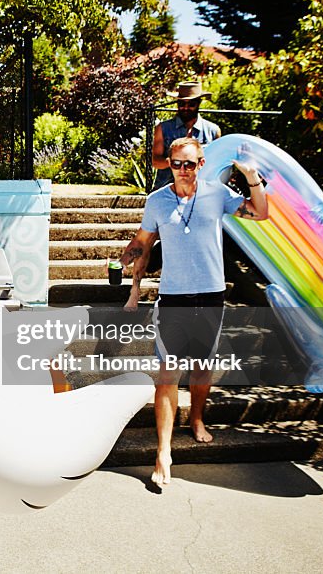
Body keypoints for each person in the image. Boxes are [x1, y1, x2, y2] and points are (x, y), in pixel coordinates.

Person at [119, 137, 267, 486]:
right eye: (176, 164)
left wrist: (251, 178)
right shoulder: (157, 201)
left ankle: (197, 418)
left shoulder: (218, 194)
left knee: (202, 366)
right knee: (167, 375)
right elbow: (143, 240)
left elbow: (260, 212)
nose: (183, 170)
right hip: (173, 298)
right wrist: (126, 258)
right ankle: (163, 453)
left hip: (211, 295)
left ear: (201, 164)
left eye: (190, 163)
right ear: (169, 164)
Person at [151, 81, 222, 191]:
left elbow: (218, 164)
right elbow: (155, 161)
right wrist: (178, 162)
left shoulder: (213, 131)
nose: (186, 108)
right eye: (182, 104)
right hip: (167, 190)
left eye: (191, 104)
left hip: (200, 192)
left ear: (198, 103)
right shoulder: (163, 128)